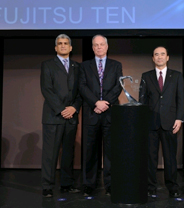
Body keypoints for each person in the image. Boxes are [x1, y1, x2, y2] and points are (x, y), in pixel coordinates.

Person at [79, 34, 123, 196]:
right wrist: (96, 103)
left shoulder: (116, 65)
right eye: (95, 45)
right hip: (91, 112)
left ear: (107, 46)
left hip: (110, 113)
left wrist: (105, 103)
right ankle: (89, 185)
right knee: (90, 151)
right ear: (92, 47)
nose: (99, 47)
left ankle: (111, 185)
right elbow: (82, 87)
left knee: (111, 151)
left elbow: (118, 86)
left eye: (101, 44)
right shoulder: (84, 66)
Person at [139, 46, 184, 198]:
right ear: (153, 58)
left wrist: (179, 118)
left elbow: (180, 99)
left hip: (170, 122)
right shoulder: (146, 76)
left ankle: (172, 187)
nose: (159, 57)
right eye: (156, 55)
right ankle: (150, 187)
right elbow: (142, 100)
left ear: (167, 57)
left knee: (170, 157)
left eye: (162, 54)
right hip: (150, 123)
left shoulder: (177, 76)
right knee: (150, 158)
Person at [40, 34, 82, 197]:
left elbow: (80, 91)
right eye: (60, 43)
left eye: (66, 43)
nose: (63, 46)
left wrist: (73, 108)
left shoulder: (78, 67)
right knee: (50, 153)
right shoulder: (48, 65)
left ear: (71, 48)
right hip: (53, 116)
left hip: (71, 116)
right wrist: (61, 109)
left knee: (68, 153)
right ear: (56, 48)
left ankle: (66, 184)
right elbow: (46, 90)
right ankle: (47, 186)